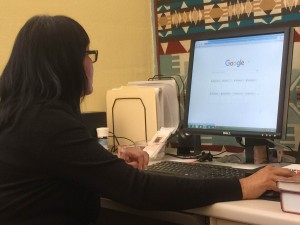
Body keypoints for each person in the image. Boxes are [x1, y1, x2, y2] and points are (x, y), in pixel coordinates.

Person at [0, 15, 295, 225]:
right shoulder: (48, 124)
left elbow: (58, 170)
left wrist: (107, 167)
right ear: (64, 64)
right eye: (86, 54)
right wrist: (243, 186)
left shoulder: (19, 115)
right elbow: (140, 191)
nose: (90, 63)